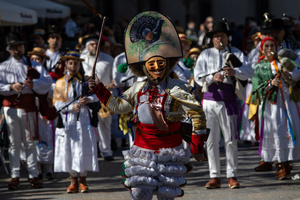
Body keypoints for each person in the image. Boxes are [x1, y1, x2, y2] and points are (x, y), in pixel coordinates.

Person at [89, 11, 207, 200]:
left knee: (165, 196)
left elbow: (197, 115)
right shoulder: (137, 88)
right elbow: (120, 107)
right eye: (152, 64)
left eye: (161, 64)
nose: (157, 68)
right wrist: (100, 90)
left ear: (167, 65)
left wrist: (197, 145)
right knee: (139, 194)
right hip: (142, 149)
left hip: (171, 150)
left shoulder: (178, 88)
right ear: (144, 67)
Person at [194, 20, 253, 189]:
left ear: (228, 38)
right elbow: (197, 76)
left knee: (230, 140)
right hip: (209, 101)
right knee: (211, 141)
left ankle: (231, 175)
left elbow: (250, 71)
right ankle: (214, 176)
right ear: (212, 39)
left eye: (222, 36)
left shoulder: (236, 53)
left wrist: (236, 72)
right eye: (216, 36)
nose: (219, 39)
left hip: (228, 100)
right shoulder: (205, 54)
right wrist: (212, 77)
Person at [0, 32, 52, 189]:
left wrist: (33, 85)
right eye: (14, 47)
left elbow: (47, 81)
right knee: (14, 143)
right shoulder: (3, 67)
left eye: (20, 46)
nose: (17, 50)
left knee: (29, 142)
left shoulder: (34, 65)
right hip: (10, 108)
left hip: (28, 108)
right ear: (9, 49)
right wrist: (10, 86)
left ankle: (33, 175)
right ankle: (15, 176)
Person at [248, 37, 300, 179]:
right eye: (267, 46)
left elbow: (297, 73)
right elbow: (256, 87)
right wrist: (270, 83)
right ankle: (279, 163)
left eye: (272, 46)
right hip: (270, 105)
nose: (270, 49)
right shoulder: (259, 66)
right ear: (262, 49)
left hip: (286, 102)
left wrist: (289, 75)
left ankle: (285, 163)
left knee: (287, 129)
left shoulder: (283, 61)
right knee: (275, 131)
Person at [52, 51, 99, 193]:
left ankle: (83, 180)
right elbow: (57, 103)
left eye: (76, 63)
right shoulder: (61, 83)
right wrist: (71, 106)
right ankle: (73, 179)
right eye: (71, 63)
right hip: (68, 119)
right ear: (66, 65)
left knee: (84, 146)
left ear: (80, 65)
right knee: (70, 148)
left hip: (84, 118)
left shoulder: (85, 82)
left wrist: (89, 100)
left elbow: (98, 97)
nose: (73, 66)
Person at [80, 34, 115, 161]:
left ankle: (106, 151)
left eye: (96, 44)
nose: (94, 46)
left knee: (104, 124)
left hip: (103, 95)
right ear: (86, 46)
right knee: (88, 125)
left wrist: (112, 85)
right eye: (92, 44)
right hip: (86, 97)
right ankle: (92, 151)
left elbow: (114, 78)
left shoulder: (109, 59)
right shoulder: (81, 59)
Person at [28, 47, 56, 180]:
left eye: (38, 59)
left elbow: (51, 93)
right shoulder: (27, 73)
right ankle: (37, 169)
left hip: (45, 113)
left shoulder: (47, 76)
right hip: (32, 110)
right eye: (33, 58)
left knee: (47, 137)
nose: (35, 61)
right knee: (34, 138)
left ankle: (49, 168)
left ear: (43, 61)